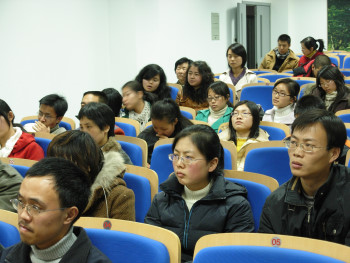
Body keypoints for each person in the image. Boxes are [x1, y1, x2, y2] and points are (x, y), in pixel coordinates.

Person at [145, 125, 254, 262]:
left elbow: (233, 257)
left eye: (188, 157)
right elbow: (151, 247)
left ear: (212, 164)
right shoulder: (162, 199)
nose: (179, 163)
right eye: (176, 155)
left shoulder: (235, 205)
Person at [259, 109, 350, 246]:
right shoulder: (276, 202)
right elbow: (269, 254)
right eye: (294, 143)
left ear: (333, 154)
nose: (297, 152)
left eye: (309, 145)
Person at [0, 157, 112, 262]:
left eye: (35, 207)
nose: (23, 215)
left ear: (69, 215)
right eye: (20, 202)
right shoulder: (7, 256)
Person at [48, 130, 135, 220]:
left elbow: (119, 233)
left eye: (64, 165)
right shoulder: (48, 190)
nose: (57, 170)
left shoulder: (119, 196)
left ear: (87, 165)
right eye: (53, 163)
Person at [138, 99, 193, 164]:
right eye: (155, 127)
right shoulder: (147, 134)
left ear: (175, 121)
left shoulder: (189, 134)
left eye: (164, 129)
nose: (159, 132)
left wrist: (170, 145)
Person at [219, 100, 269, 171]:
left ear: (255, 118)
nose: (238, 117)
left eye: (244, 113)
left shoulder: (262, 143)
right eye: (235, 113)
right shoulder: (219, 139)